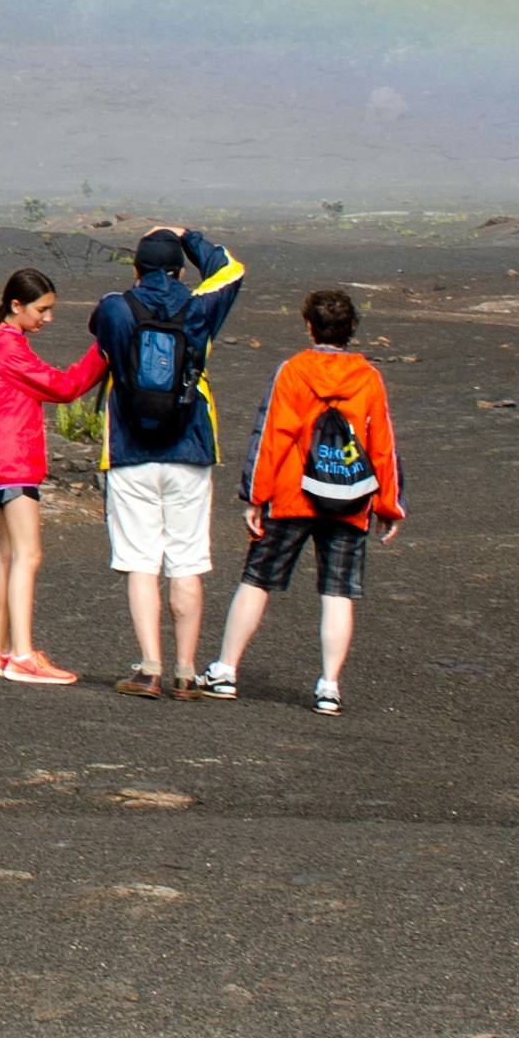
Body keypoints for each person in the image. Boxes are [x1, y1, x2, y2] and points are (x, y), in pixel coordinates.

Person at [205, 285, 405, 711]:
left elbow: (272, 435)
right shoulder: (368, 377)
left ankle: (225, 670)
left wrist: (254, 497)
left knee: (256, 580)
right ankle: (329, 686)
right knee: (338, 593)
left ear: (310, 326)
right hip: (350, 497)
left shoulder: (293, 371)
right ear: (350, 329)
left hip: (292, 495)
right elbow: (382, 444)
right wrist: (388, 504)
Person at [88, 224, 244, 696]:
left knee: (140, 561)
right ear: (179, 269)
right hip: (191, 447)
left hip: (130, 451)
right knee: (187, 561)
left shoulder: (116, 307)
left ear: (136, 269)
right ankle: (185, 670)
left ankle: (149, 667)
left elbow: (102, 336)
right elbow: (231, 271)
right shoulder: (199, 307)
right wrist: (190, 235)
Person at [0, 268, 99, 684]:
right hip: (14, 460)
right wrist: (102, 355)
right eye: (42, 310)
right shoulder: (10, 351)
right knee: (29, 556)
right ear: (16, 306)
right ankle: (21, 656)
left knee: (8, 556)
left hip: (0, 460)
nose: (47, 318)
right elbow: (64, 387)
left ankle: (0, 653)